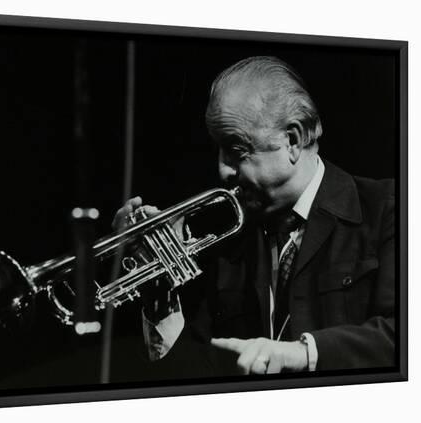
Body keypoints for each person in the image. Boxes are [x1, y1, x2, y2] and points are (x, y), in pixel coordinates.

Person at [113, 56, 395, 376]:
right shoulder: (233, 242)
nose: (223, 170)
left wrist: (301, 354)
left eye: (237, 150)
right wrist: (158, 291)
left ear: (293, 139)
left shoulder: (389, 208)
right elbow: (194, 375)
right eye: (219, 151)